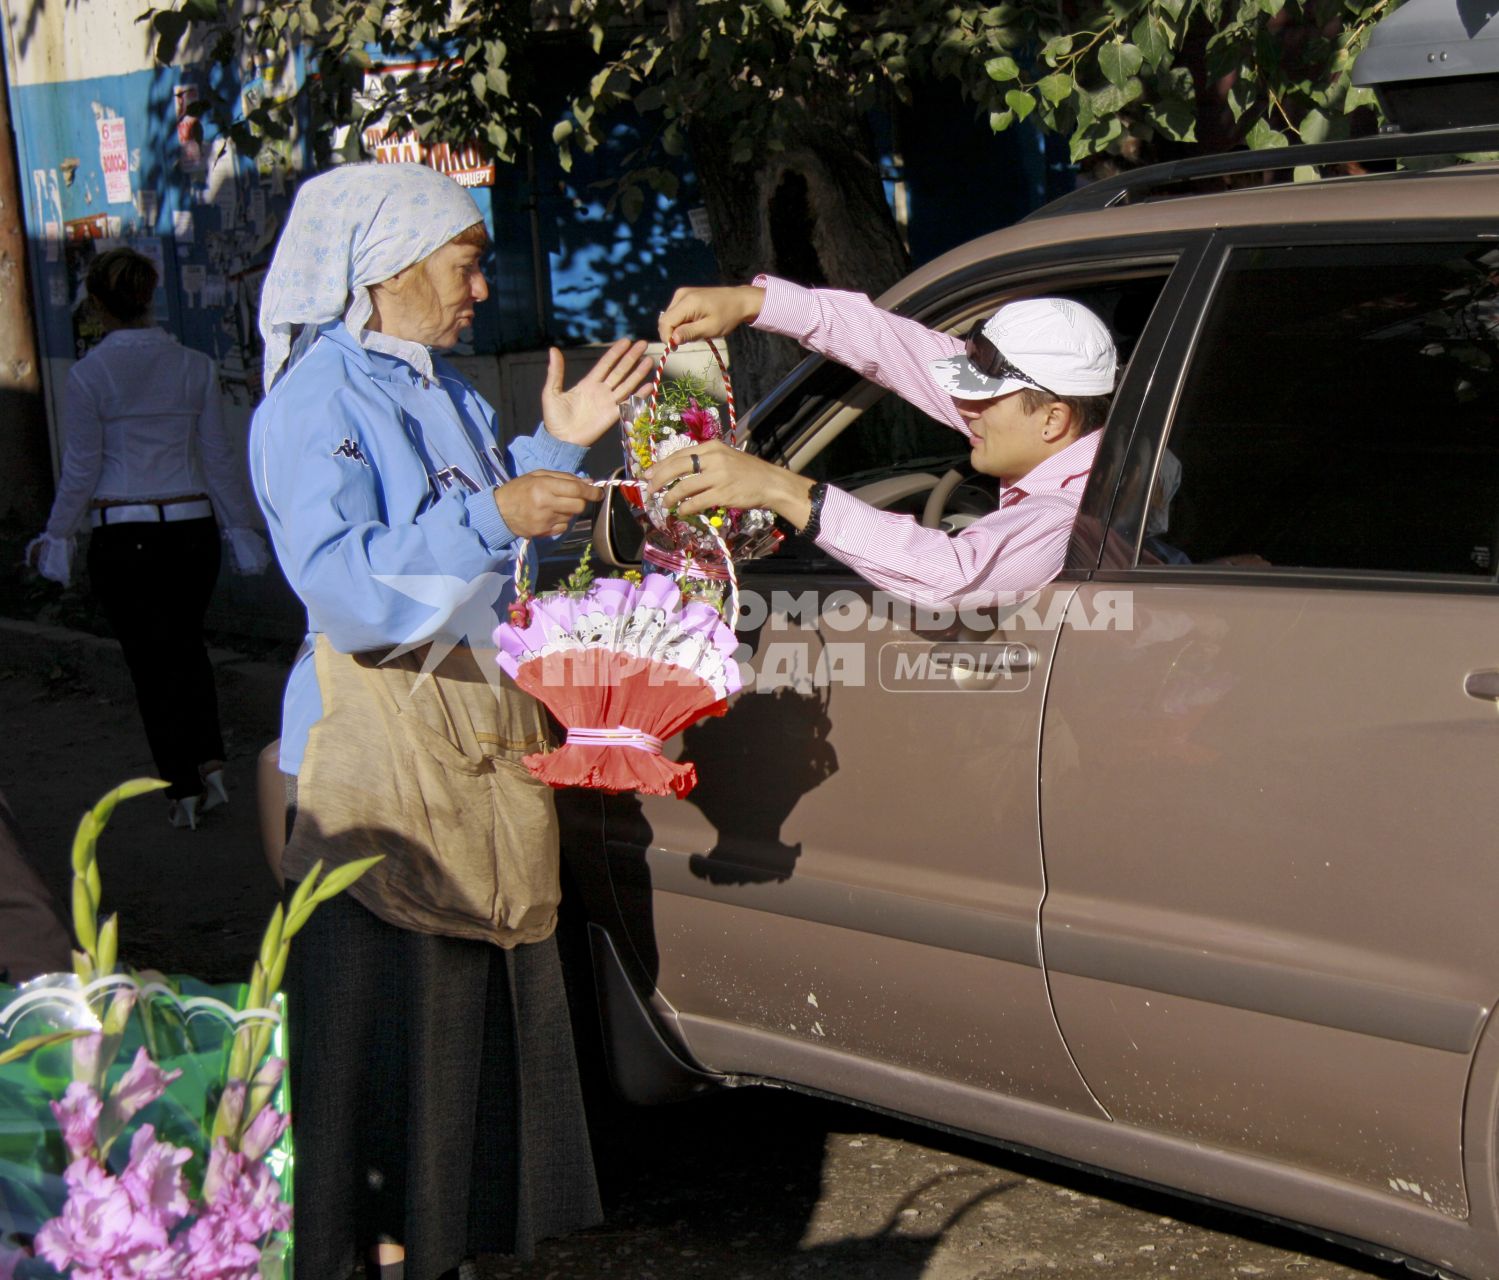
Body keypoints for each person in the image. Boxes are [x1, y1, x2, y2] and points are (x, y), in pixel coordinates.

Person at [248, 162, 650, 1280]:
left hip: (469, 740)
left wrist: (553, 450)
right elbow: (343, 586)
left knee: (469, 1036)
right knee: (381, 1048)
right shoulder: (315, 400)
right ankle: (375, 1250)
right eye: (465, 263)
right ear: (385, 268)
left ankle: (445, 1248)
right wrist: (495, 508)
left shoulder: (451, 391)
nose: (482, 286)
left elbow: (483, 536)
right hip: (377, 766)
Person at [649, 279, 1117, 611]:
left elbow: (952, 574)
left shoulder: (1076, 511)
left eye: (983, 399)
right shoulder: (1081, 446)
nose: (962, 407)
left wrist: (781, 490)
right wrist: (753, 302)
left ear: (1054, 419)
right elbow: (894, 348)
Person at [25, 246, 270, 829]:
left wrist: (56, 536)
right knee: (187, 649)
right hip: (193, 530)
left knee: (149, 663)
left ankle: (180, 788)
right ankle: (210, 761)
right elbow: (217, 457)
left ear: (98, 305)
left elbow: (82, 468)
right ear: (148, 297)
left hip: (123, 534)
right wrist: (240, 529)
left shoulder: (90, 375)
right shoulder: (193, 366)